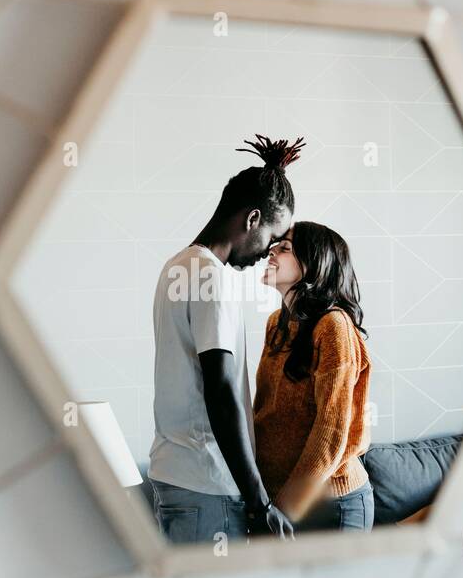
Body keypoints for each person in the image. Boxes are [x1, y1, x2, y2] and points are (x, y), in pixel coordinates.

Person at [148, 134, 305, 546]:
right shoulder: (210, 277)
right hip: (207, 482)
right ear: (252, 219)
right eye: (271, 239)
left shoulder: (176, 266)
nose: (267, 253)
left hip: (175, 476)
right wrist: (258, 501)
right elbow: (220, 388)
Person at [253, 221, 374, 532]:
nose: (272, 252)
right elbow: (264, 411)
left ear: (314, 265)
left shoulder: (333, 327)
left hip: (332, 506)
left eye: (285, 248)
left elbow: (331, 430)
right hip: (277, 503)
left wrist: (283, 508)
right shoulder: (276, 324)